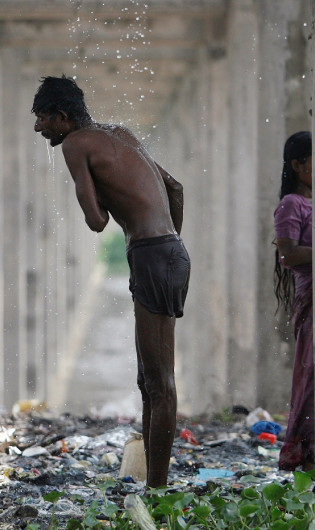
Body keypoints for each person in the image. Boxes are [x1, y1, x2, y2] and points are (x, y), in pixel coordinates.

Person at [31, 75, 190, 488]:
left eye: (42, 119)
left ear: (62, 118)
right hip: (168, 251)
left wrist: (98, 198)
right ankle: (150, 478)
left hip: (153, 255)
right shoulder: (121, 133)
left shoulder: (75, 144)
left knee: (159, 383)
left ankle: (158, 489)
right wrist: (166, 240)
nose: (37, 129)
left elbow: (97, 222)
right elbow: (175, 188)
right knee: (148, 380)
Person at [273, 131, 314, 471]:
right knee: (310, 375)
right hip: (311, 297)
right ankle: (303, 453)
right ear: (299, 165)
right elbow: (287, 254)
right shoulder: (292, 204)